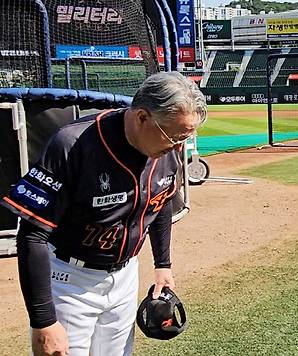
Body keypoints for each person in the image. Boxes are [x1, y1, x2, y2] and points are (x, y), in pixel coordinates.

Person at [1, 71, 207, 356]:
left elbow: (161, 201)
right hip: (69, 280)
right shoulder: (72, 145)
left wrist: (163, 265)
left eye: (185, 137)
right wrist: (44, 322)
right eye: (173, 136)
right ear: (142, 117)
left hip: (125, 278)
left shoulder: (166, 148)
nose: (178, 146)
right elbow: (32, 234)